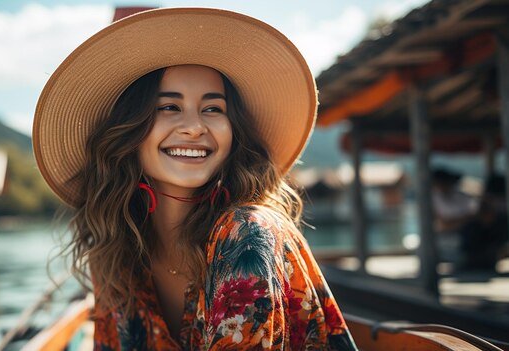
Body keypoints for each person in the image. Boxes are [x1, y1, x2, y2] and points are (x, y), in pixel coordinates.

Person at [33, 8, 357, 350]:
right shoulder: (116, 246)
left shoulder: (246, 234)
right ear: (125, 132)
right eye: (169, 107)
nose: (194, 126)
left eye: (213, 108)